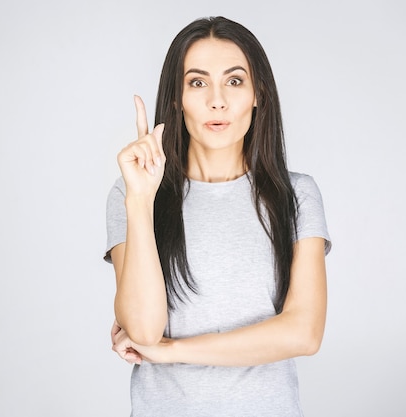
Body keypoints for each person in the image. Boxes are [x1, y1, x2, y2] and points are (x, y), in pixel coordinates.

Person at [104, 16, 331, 417]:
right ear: (176, 98)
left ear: (258, 92)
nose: (217, 100)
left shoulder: (295, 195)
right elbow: (142, 330)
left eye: (234, 80)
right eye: (197, 82)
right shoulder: (132, 193)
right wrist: (141, 200)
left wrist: (171, 350)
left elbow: (304, 331)